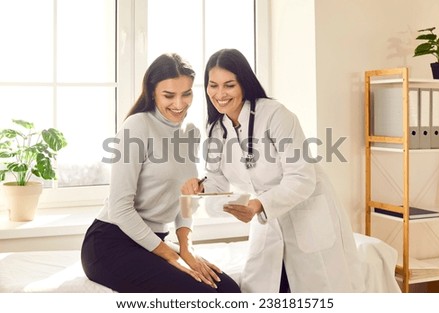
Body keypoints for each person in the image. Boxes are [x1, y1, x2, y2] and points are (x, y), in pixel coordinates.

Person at [181, 48, 364, 293]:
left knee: (319, 290)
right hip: (267, 220)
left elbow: (302, 178)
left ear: (244, 84)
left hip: (306, 212)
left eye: (229, 85)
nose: (220, 94)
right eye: (213, 85)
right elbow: (217, 184)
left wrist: (258, 205)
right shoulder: (217, 130)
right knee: (261, 288)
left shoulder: (275, 115)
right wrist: (201, 188)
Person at [81, 53, 240, 293]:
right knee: (205, 294)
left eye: (186, 94)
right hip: (111, 244)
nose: (179, 103)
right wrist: (170, 255)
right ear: (152, 92)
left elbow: (186, 199)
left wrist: (186, 249)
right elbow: (119, 208)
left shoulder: (190, 131)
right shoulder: (137, 126)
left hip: (153, 241)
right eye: (169, 95)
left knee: (228, 289)